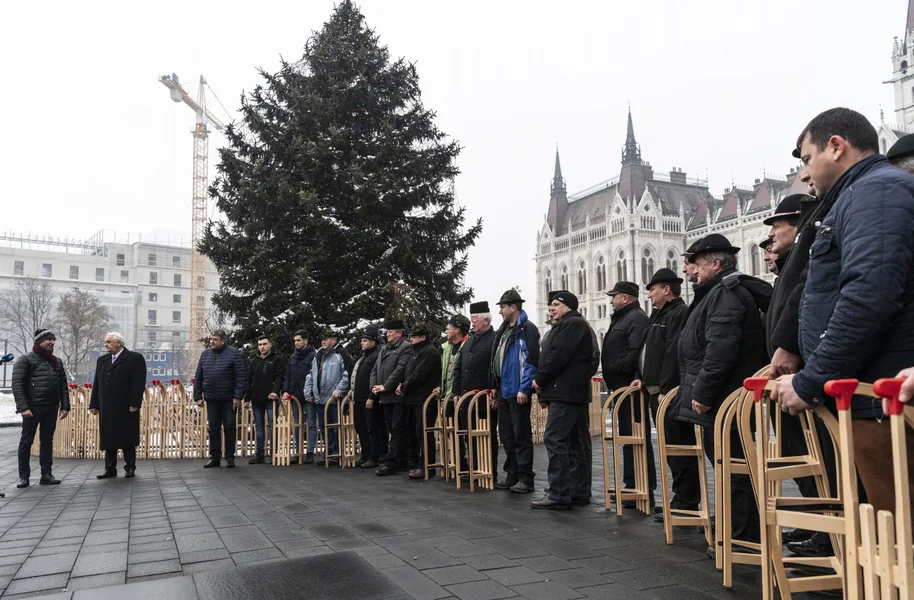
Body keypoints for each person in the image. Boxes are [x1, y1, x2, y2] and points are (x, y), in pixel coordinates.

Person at [773, 107, 914, 518]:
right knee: (879, 538)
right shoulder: (858, 195)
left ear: (836, 146)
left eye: (804, 158)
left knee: (893, 542)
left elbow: (868, 296)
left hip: (881, 400)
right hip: (867, 395)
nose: (802, 174)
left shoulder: (877, 192)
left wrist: (811, 380)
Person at [673, 234, 772, 549]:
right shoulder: (717, 292)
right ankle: (740, 526)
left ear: (715, 264)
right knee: (728, 461)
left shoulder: (725, 294)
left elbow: (720, 350)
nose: (695, 272)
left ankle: (742, 533)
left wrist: (701, 392)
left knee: (733, 462)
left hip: (726, 398)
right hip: (726, 397)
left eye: (699, 265)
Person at [632, 269, 693, 523]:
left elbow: (673, 354)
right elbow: (648, 349)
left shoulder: (678, 313)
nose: (649, 293)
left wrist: (666, 389)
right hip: (654, 391)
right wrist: (641, 376)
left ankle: (686, 501)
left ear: (666, 289)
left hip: (667, 395)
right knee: (670, 448)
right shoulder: (659, 314)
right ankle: (682, 499)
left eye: (652, 288)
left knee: (679, 448)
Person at [531, 291, 600, 510]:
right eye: (549, 305)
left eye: (556, 305)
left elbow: (557, 356)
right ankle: (578, 491)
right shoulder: (570, 325)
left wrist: (540, 380)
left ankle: (559, 492)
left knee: (555, 438)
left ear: (568, 307)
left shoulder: (573, 325)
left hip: (566, 393)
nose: (551, 308)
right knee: (575, 442)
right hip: (570, 392)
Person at [602, 281, 650, 507]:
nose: (610, 300)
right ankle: (632, 485)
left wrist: (616, 367)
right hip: (622, 387)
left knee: (636, 438)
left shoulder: (636, 318)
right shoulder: (624, 317)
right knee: (629, 438)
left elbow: (635, 351)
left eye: (614, 296)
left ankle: (640, 487)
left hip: (631, 388)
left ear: (626, 298)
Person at [491, 289, 540, 493]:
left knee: (521, 435)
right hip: (504, 389)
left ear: (514, 307)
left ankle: (526, 478)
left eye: (503, 307)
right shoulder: (504, 331)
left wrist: (524, 388)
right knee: (507, 435)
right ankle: (512, 474)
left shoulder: (526, 329)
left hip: (518, 391)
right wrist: (495, 386)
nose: (500, 311)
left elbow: (531, 361)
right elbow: (497, 359)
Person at [12, 328, 69, 489]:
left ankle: (46, 474)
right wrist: (23, 407)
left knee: (47, 441)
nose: (52, 342)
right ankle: (24, 476)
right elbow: (17, 385)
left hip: (51, 407)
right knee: (26, 441)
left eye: (53, 339)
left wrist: (65, 406)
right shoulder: (25, 360)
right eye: (48, 339)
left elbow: (62, 386)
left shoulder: (57, 361)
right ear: (39, 341)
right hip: (32, 408)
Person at [90, 332, 148, 479]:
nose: (106, 345)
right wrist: (93, 404)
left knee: (127, 436)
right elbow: (97, 383)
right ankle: (110, 468)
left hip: (125, 405)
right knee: (109, 437)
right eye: (105, 342)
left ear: (119, 343)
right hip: (107, 405)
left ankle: (130, 467)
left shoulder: (134, 358)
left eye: (109, 342)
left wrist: (135, 403)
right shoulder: (102, 360)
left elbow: (138, 383)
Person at [453, 302, 498, 472]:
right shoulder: (469, 341)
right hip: (466, 399)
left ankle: (488, 471)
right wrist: (457, 391)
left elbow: (495, 367)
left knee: (487, 436)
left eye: (475, 320)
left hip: (484, 399)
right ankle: (474, 469)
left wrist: (495, 389)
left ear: (486, 320)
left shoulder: (494, 339)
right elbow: (458, 367)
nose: (473, 324)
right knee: (469, 436)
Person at [194, 330, 247, 468]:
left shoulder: (234, 353)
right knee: (213, 428)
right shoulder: (205, 355)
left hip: (229, 398)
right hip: (211, 398)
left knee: (229, 427)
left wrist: (237, 396)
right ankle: (214, 458)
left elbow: (240, 377)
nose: (212, 341)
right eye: (211, 339)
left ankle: (230, 457)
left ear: (223, 341)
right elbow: (198, 376)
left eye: (215, 339)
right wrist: (197, 396)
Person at [399, 323, 442, 479]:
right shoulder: (416, 352)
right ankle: (416, 462)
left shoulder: (429, 352)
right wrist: (403, 385)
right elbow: (409, 372)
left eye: (414, 337)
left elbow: (419, 374)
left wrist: (404, 386)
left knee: (424, 433)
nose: (411, 340)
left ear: (422, 337)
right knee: (414, 433)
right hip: (414, 398)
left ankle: (426, 466)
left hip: (424, 399)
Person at [371, 319, 414, 476]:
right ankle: (401, 459)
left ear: (400, 333)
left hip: (397, 396)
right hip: (385, 396)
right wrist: (374, 386)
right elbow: (375, 369)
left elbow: (400, 370)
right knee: (393, 428)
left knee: (397, 429)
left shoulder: (406, 348)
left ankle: (392, 462)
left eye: (391, 331)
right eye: (387, 331)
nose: (387, 334)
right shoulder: (384, 349)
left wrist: (387, 386)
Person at [304, 330, 350, 466]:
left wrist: (339, 390)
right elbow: (311, 375)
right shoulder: (318, 356)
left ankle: (337, 453)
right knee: (324, 427)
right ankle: (329, 452)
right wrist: (308, 392)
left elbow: (347, 373)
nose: (323, 342)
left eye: (326, 339)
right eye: (322, 339)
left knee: (335, 426)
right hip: (319, 398)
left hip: (334, 398)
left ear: (334, 341)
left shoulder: (340, 355)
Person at [350, 325, 386, 468]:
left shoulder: (376, 355)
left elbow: (374, 377)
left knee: (372, 427)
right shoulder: (365, 356)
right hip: (359, 397)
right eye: (362, 340)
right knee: (361, 427)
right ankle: (365, 454)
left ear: (373, 342)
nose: (362, 343)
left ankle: (374, 456)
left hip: (369, 398)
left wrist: (371, 396)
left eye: (365, 340)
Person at [246, 335, 286, 464]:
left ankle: (274, 452)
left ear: (270, 345)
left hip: (271, 399)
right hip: (257, 398)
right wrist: (247, 398)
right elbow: (249, 380)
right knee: (259, 427)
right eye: (259, 344)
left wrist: (275, 392)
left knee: (273, 425)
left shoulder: (277, 360)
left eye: (264, 344)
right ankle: (260, 453)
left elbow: (279, 377)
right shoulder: (254, 361)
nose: (262, 347)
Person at [281, 329, 315, 464]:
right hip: (294, 394)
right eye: (295, 341)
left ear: (306, 341)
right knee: (297, 424)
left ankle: (310, 452)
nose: (296, 343)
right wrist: (285, 390)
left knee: (311, 423)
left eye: (299, 340)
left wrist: (311, 393)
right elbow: (287, 375)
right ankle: (298, 451)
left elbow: (313, 376)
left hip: (308, 395)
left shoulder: (313, 356)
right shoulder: (293, 357)